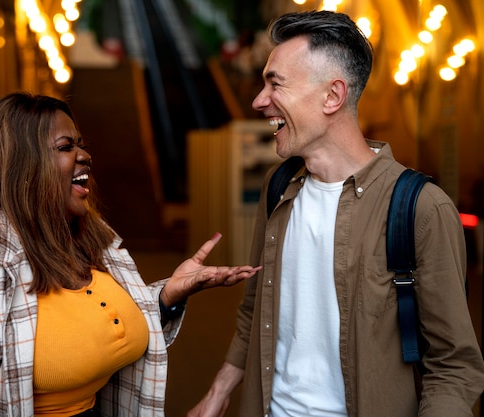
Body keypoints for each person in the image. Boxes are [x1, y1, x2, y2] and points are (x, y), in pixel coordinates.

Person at [0, 92, 261, 417]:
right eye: (65, 146)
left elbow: (76, 329)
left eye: (82, 145)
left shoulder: (77, 237)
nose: (85, 155)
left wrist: (165, 297)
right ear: (17, 162)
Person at [189, 10, 484, 417]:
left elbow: (452, 365)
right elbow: (254, 307)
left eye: (275, 84)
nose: (259, 100)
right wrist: (220, 388)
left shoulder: (421, 208)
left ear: (333, 96)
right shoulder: (279, 189)